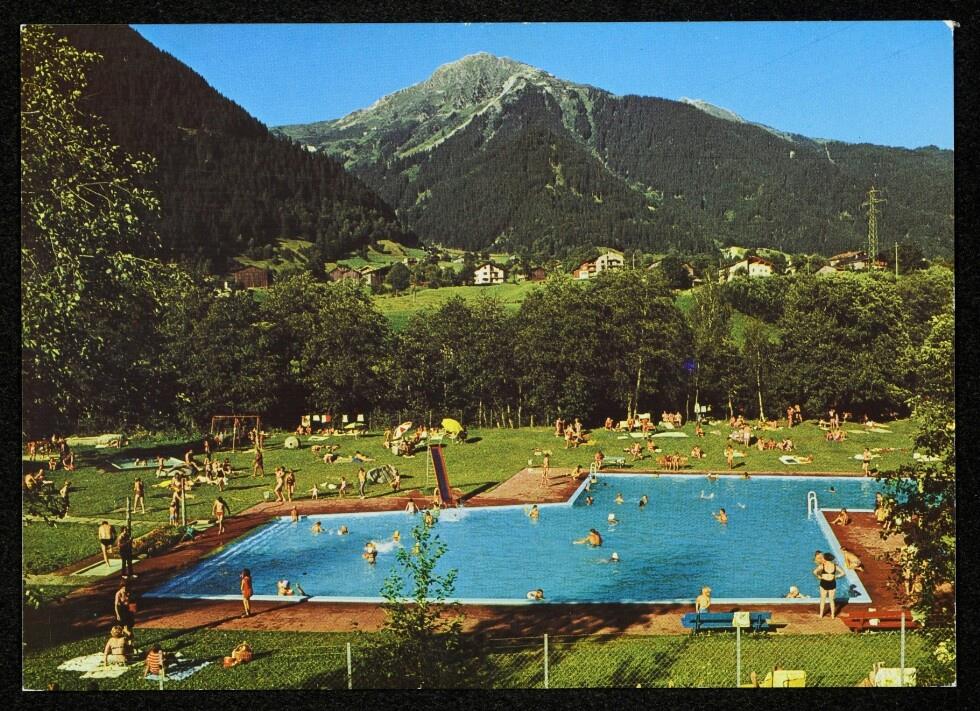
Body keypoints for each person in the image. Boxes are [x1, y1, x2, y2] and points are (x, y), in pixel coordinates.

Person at [813, 552, 845, 618]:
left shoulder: (822, 566)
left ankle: (821, 615)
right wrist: (837, 576)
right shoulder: (835, 566)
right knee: (831, 600)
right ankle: (832, 615)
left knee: (823, 599)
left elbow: (814, 572)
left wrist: (818, 576)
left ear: (825, 558)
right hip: (832, 583)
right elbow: (843, 573)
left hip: (823, 582)